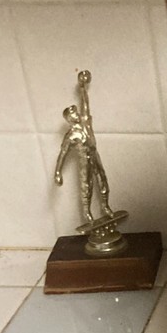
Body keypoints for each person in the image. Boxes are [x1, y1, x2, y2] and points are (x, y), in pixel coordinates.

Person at [53, 70, 115, 228]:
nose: (77, 114)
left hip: (95, 155)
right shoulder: (71, 136)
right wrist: (58, 172)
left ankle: (105, 206)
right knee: (86, 186)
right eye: (74, 113)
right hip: (84, 162)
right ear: (69, 119)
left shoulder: (86, 122)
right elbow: (63, 154)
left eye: (76, 112)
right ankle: (87, 213)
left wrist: (82, 87)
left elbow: (85, 104)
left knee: (102, 181)